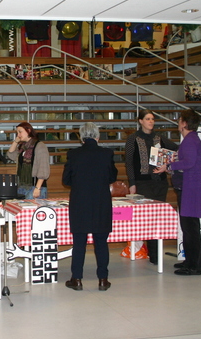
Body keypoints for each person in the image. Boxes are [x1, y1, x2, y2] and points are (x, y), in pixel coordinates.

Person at [63, 122, 117, 292]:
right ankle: (103, 279)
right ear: (97, 136)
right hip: (101, 202)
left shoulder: (74, 154)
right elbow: (112, 176)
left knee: (79, 242)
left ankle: (77, 278)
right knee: (101, 242)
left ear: (81, 137)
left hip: (80, 203)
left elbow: (66, 180)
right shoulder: (107, 153)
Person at [155, 109, 201, 276]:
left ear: (185, 123)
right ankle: (192, 261)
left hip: (190, 189)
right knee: (189, 227)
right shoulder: (191, 139)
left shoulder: (190, 140)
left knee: (190, 228)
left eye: (180, 121)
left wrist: (169, 166)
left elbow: (189, 162)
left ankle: (194, 266)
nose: (178, 123)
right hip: (189, 187)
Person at [124, 110, 178, 264]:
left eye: (152, 119)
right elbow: (129, 162)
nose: (151, 122)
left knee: (158, 219)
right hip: (143, 183)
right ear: (140, 121)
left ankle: (156, 254)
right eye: (147, 119)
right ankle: (150, 252)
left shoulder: (159, 138)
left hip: (160, 182)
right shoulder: (132, 139)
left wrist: (167, 164)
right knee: (148, 219)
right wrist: (132, 183)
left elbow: (175, 148)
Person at [6, 121, 50, 199]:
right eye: (17, 132)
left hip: (35, 186)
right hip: (22, 186)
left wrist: (37, 188)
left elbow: (43, 168)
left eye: (20, 132)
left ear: (28, 131)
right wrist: (16, 141)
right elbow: (11, 155)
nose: (18, 135)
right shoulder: (23, 147)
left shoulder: (40, 146)